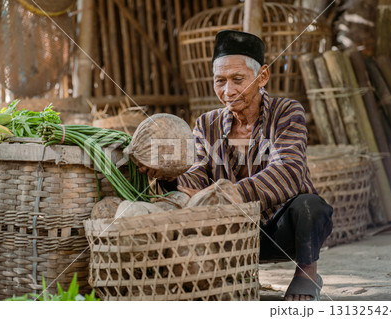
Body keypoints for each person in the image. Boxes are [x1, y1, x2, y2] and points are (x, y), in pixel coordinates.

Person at [140, 30, 333, 301]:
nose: (228, 91)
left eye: (238, 80)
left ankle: (307, 272)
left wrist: (232, 194)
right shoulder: (206, 124)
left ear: (262, 76)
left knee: (312, 207)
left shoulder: (287, 112)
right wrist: (172, 180)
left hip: (278, 233)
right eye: (220, 81)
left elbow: (288, 171)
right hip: (230, 232)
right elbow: (196, 172)